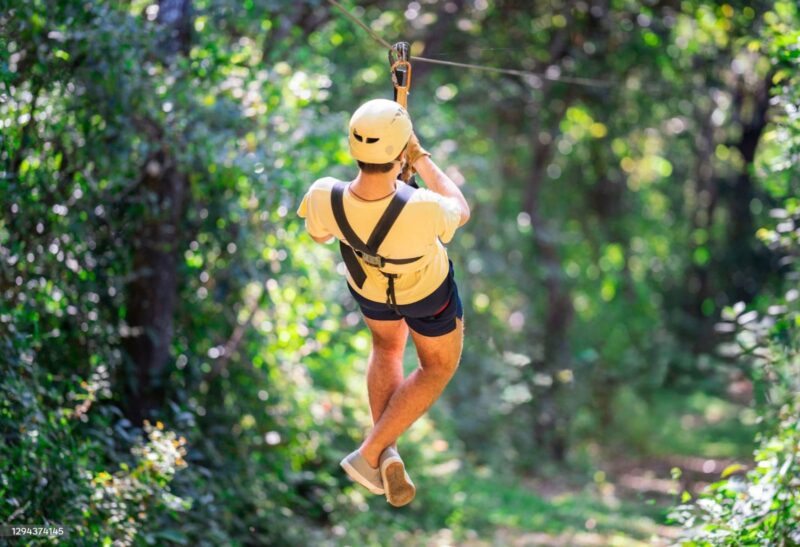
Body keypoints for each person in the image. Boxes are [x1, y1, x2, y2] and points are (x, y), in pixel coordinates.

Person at [297, 98, 470, 507]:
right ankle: (371, 451)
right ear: (399, 149)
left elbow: (319, 235)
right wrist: (420, 158)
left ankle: (385, 452)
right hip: (426, 293)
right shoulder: (424, 206)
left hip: (372, 290)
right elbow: (460, 209)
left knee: (387, 347)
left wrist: (391, 174)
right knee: (437, 366)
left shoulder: (325, 195)